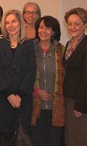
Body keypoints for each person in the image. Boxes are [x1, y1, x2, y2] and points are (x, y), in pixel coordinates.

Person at [0, 9, 36, 145]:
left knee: (22, 136)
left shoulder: (28, 44)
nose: (10, 25)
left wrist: (19, 95)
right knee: (4, 134)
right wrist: (9, 94)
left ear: (20, 23)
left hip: (23, 98)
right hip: (3, 97)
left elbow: (31, 71)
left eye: (13, 22)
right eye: (7, 23)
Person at [63, 7, 87, 146]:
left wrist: (80, 106)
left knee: (84, 138)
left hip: (83, 102)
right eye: (70, 23)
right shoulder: (69, 44)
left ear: (85, 25)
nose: (72, 27)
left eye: (77, 23)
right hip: (70, 97)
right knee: (72, 139)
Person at [31, 16, 65, 146]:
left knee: (54, 141)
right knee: (37, 141)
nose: (43, 31)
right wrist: (36, 91)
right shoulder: (30, 49)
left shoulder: (61, 50)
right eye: (41, 27)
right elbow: (24, 75)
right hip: (35, 105)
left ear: (54, 32)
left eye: (48, 28)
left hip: (55, 107)